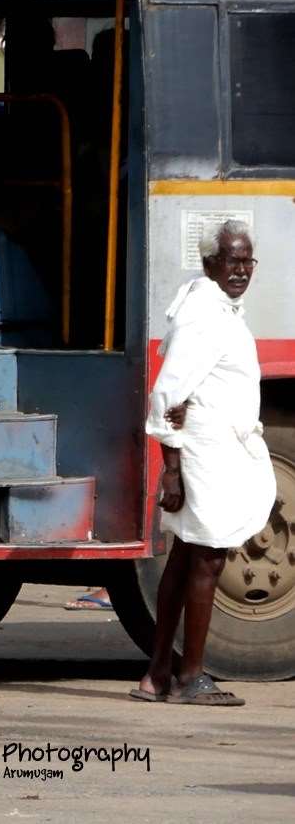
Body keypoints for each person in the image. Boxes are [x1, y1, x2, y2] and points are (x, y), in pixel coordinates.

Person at [133, 220, 278, 706]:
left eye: (247, 261)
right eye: (232, 260)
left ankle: (158, 675)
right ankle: (190, 677)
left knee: (185, 556)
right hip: (203, 453)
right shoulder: (205, 315)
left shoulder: (217, 307)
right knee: (209, 556)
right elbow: (167, 394)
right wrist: (171, 469)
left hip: (211, 448)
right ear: (211, 263)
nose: (241, 270)